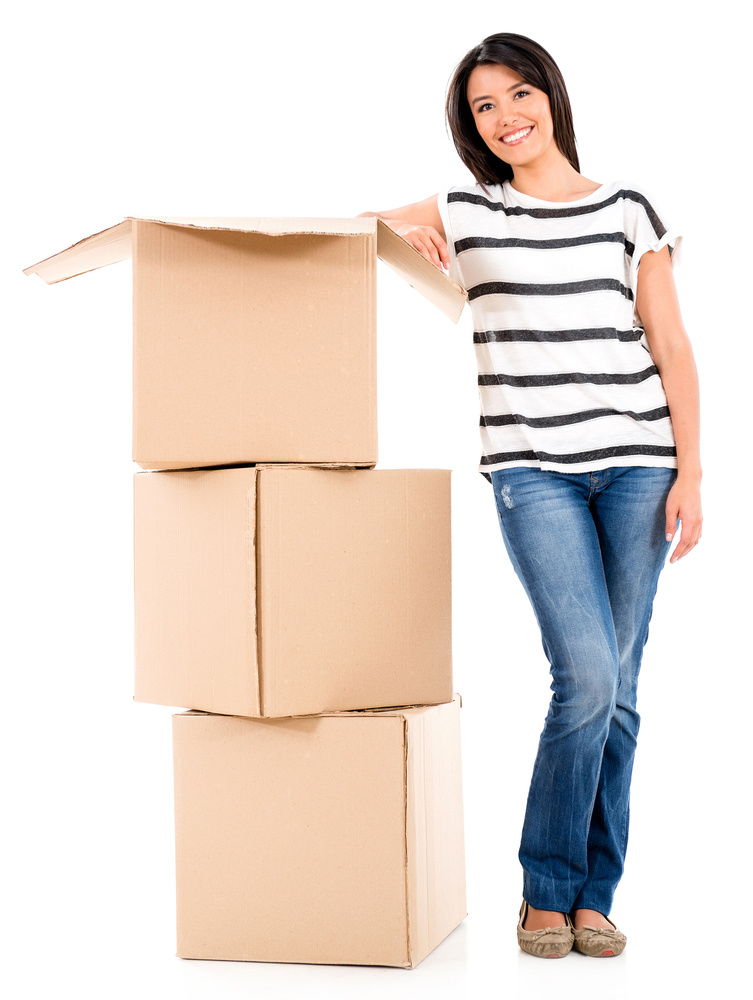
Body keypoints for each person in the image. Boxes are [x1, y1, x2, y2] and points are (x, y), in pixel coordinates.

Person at [360, 32, 701, 959]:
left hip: (638, 463)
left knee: (618, 689)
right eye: (483, 107)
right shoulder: (467, 205)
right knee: (585, 674)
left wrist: (693, 474)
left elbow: (669, 345)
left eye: (519, 95)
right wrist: (404, 229)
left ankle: (594, 895)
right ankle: (544, 888)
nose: (506, 117)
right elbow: (348, 231)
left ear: (549, 96)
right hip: (530, 470)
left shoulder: (627, 208)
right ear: (469, 125)